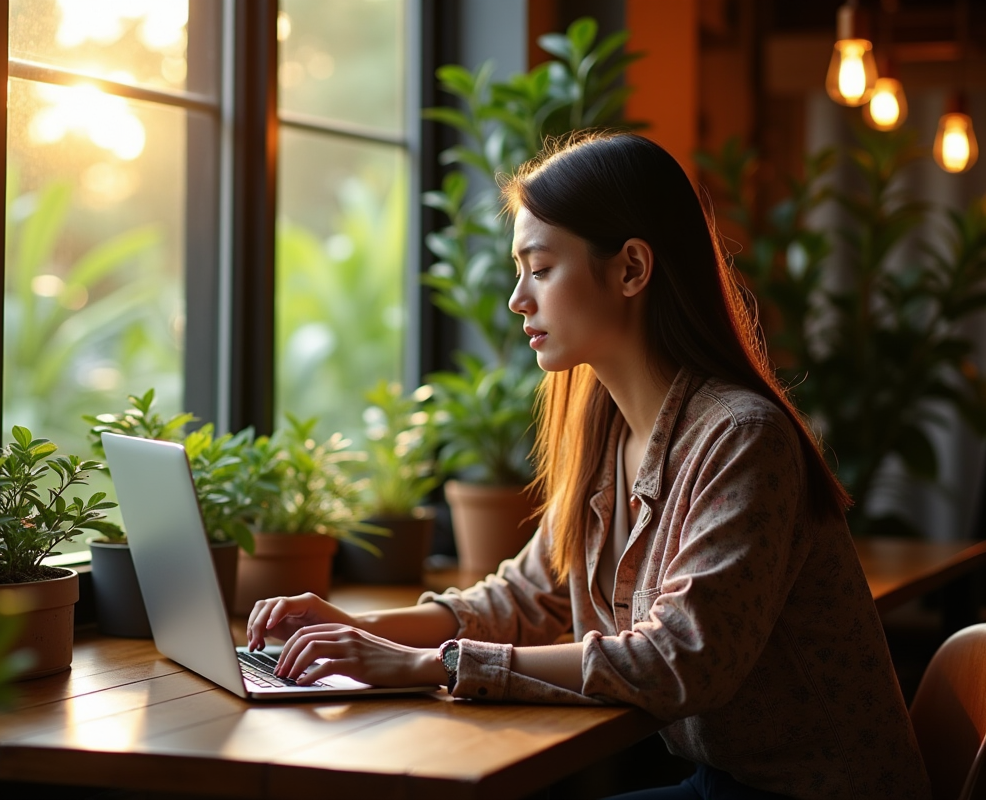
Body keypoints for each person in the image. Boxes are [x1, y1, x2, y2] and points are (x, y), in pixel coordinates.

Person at [245, 132, 931, 799]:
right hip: (718, 783)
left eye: (540, 269)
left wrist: (429, 666)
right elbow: (525, 599)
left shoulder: (743, 438)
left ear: (632, 268)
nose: (518, 298)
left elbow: (678, 660)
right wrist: (350, 629)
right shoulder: (605, 428)